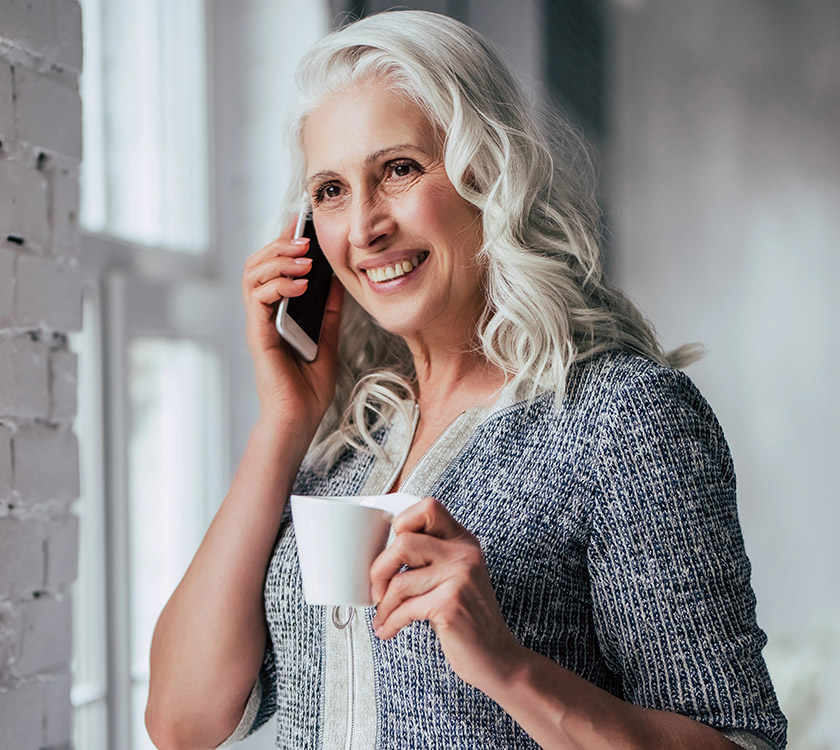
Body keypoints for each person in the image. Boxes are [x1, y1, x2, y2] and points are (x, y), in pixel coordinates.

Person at [145, 10, 786, 750]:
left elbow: (740, 743)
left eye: (399, 170)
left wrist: (506, 664)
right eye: (330, 190)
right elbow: (182, 722)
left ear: (489, 173)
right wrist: (283, 422)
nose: (363, 228)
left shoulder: (620, 418)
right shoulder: (345, 443)